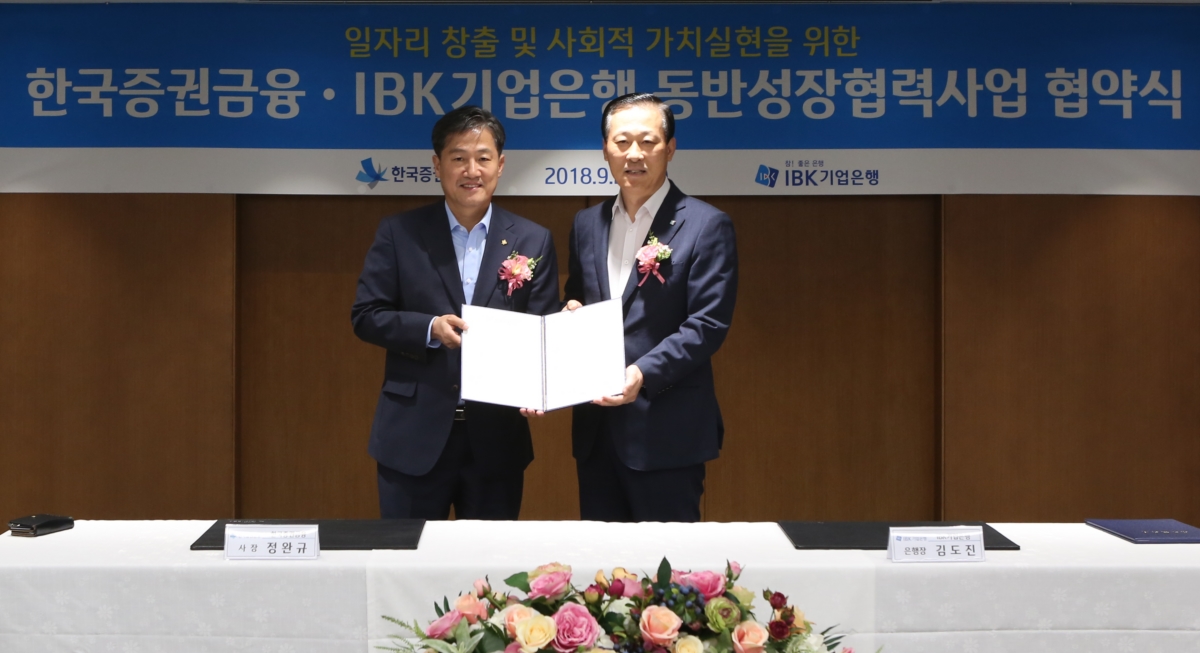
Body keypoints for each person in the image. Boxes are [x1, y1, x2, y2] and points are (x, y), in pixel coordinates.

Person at [351, 105, 560, 520]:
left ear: (500, 165)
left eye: (483, 158)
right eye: (459, 158)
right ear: (437, 164)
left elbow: (542, 329)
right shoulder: (400, 232)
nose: (472, 170)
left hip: (496, 438)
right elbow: (366, 314)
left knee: (489, 561)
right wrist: (429, 327)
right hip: (412, 435)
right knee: (405, 555)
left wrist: (541, 380)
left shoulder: (533, 239)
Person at [562, 93, 739, 522]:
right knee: (600, 561)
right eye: (622, 142)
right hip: (597, 431)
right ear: (605, 149)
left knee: (669, 561)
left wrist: (641, 373)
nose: (634, 154)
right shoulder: (586, 224)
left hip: (667, 431)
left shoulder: (706, 225)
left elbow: (707, 324)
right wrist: (570, 315)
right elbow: (578, 297)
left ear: (670, 148)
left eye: (648, 141)